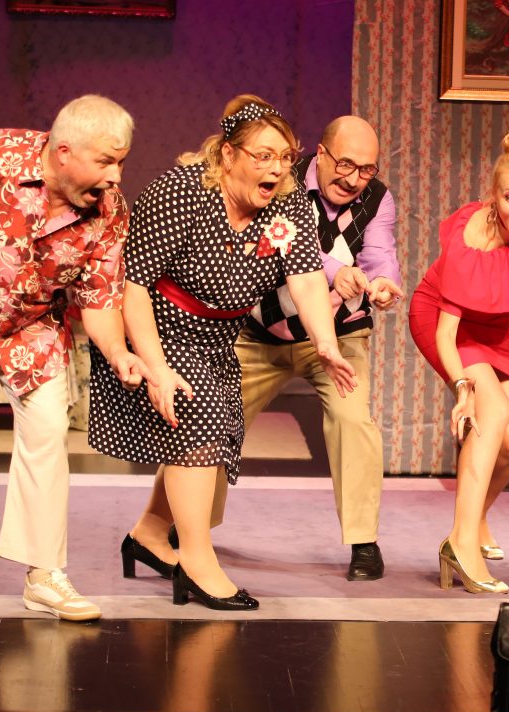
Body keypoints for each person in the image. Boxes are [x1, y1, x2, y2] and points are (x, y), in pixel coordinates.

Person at [90, 95, 356, 611]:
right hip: (157, 328)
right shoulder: (180, 193)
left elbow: (305, 279)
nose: (277, 168)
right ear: (228, 154)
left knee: (205, 431)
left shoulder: (288, 206)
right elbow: (135, 288)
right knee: (200, 419)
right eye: (263, 156)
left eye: (285, 158)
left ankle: (149, 533)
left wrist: (324, 342)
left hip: (217, 338)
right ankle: (195, 560)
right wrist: (156, 368)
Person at [0, 95, 148, 621]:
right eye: (105, 161)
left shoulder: (110, 210)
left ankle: (43, 574)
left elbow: (100, 300)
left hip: (31, 323)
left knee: (48, 432)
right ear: (64, 153)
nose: (116, 176)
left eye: (121, 162)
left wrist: (118, 352)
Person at [167, 115, 402, 582]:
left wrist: (382, 284)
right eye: (345, 164)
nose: (353, 179)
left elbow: (381, 255)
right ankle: (186, 530)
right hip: (258, 333)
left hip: (337, 337)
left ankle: (363, 541)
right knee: (210, 421)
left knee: (354, 422)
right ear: (321, 153)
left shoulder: (378, 198)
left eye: (366, 170)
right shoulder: (279, 181)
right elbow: (288, 248)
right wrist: (337, 271)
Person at [408, 131, 509, 594]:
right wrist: (463, 389)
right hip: (445, 322)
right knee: (493, 412)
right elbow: (446, 334)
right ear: (493, 197)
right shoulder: (473, 240)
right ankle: (461, 543)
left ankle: (475, 518)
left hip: (494, 327)